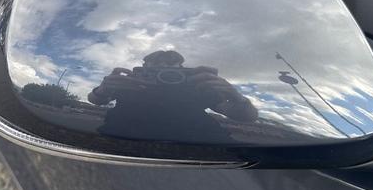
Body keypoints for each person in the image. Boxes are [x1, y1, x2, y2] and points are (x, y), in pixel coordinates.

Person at [87, 50, 257, 142]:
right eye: (156, 62)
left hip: (203, 142)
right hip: (121, 137)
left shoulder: (197, 85)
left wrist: (236, 96)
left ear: (181, 67)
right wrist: (103, 89)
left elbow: (246, 117)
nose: (163, 65)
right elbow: (96, 100)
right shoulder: (129, 81)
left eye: (170, 62)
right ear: (144, 66)